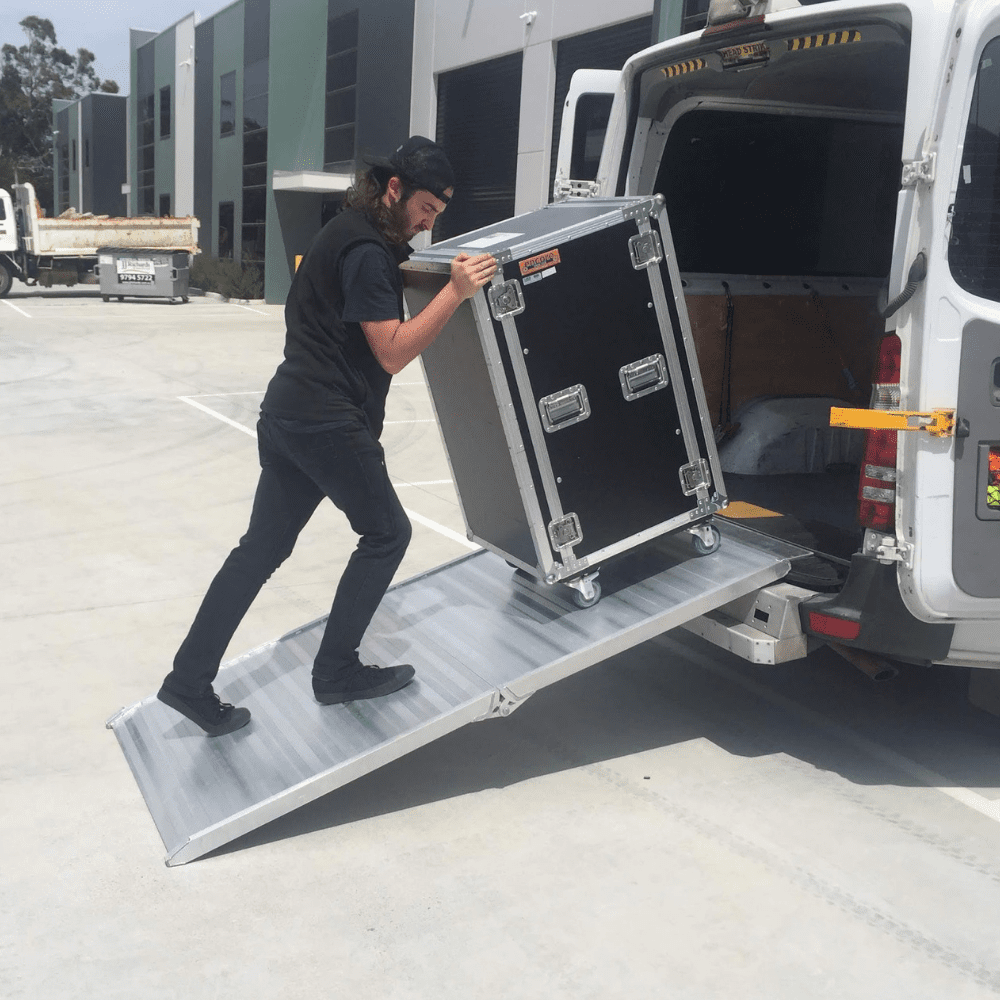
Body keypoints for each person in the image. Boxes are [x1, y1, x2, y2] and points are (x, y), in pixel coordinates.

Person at [157, 136, 497, 736]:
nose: (426, 223)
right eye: (425, 208)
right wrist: (455, 293)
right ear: (394, 189)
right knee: (388, 533)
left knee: (260, 550)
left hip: (288, 414)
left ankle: (187, 680)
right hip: (326, 420)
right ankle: (336, 670)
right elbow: (391, 353)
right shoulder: (367, 252)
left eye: (437, 216)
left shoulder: (348, 233)